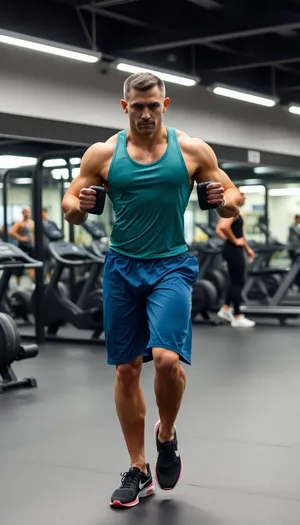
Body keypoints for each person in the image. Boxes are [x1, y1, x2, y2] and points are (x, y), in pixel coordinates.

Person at [62, 71, 242, 508]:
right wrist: (80, 208)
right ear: (125, 107)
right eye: (137, 106)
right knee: (126, 370)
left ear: (166, 104)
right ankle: (138, 468)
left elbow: (235, 198)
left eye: (153, 105)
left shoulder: (191, 150)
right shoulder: (103, 154)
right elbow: (70, 204)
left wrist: (223, 198)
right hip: (122, 268)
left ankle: (166, 433)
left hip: (170, 266)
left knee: (165, 360)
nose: (146, 113)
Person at [216, 190, 256, 327]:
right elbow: (222, 227)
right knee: (238, 281)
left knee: (235, 281)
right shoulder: (232, 209)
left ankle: (226, 308)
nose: (244, 195)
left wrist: (247, 248)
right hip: (233, 250)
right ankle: (238, 316)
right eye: (241, 193)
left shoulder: (234, 210)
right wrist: (233, 241)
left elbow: (237, 235)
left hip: (233, 249)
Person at [9, 207, 35, 287]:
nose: (27, 214)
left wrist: (34, 242)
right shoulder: (19, 223)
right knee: (20, 267)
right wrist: (20, 238)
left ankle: (33, 283)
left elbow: (33, 234)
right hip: (22, 247)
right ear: (23, 213)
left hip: (31, 247)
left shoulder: (31, 222)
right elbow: (11, 231)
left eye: (28, 212)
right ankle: (18, 285)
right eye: (25, 212)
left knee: (32, 265)